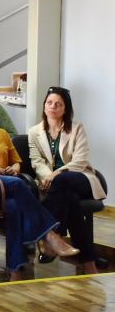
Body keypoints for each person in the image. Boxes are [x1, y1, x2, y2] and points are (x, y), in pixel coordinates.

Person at [0, 91, 79, 280]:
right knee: (18, 184)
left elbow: (17, 162)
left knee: (15, 207)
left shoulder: (1, 134)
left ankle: (15, 269)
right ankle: (49, 235)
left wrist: (13, 169)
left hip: (5, 186)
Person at [28, 86, 106, 274]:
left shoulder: (76, 128)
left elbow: (80, 161)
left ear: (65, 109)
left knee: (63, 181)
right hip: (55, 186)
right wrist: (49, 176)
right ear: (44, 106)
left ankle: (52, 235)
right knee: (71, 201)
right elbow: (36, 162)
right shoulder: (34, 132)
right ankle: (89, 263)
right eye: (49, 103)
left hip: (81, 178)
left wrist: (55, 175)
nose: (53, 106)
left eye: (58, 104)